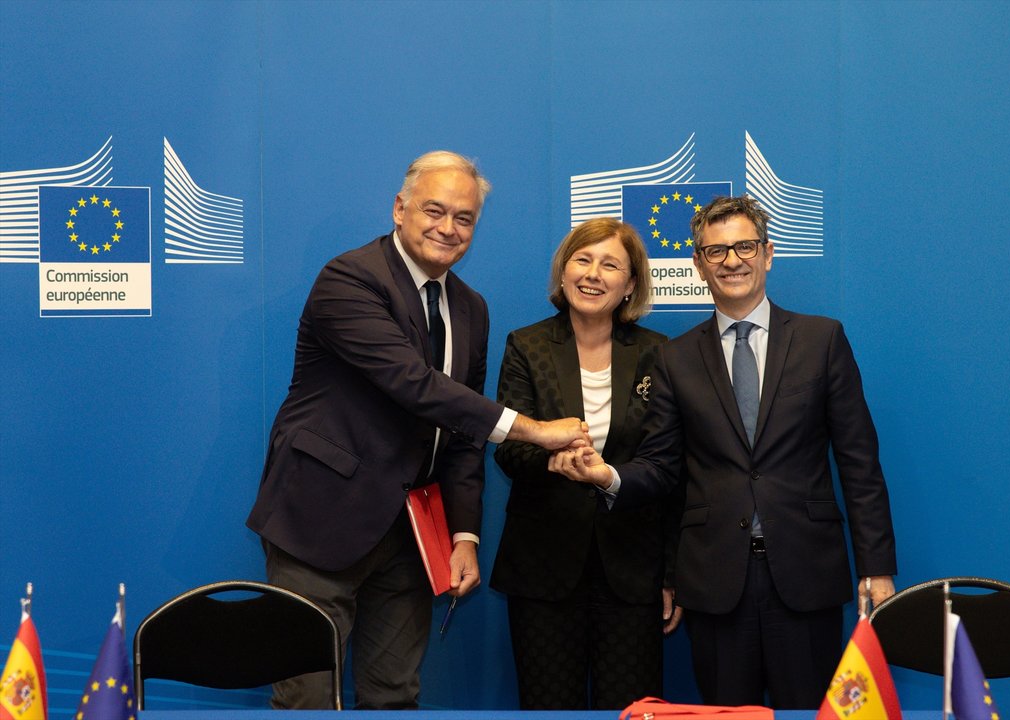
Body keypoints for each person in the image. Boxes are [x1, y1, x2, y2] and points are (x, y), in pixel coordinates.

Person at [246, 151, 588, 710]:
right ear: (399, 209)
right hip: (319, 520)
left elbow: (462, 434)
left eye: (465, 218)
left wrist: (464, 536)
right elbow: (412, 383)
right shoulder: (349, 278)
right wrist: (532, 430)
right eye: (435, 210)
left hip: (411, 538)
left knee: (395, 698)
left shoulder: (471, 309)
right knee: (307, 699)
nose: (448, 228)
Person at [550, 195, 897, 709]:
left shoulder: (822, 340)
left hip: (806, 575)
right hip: (715, 582)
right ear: (697, 264)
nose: (731, 261)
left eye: (744, 247)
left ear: (768, 253)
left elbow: (859, 462)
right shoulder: (673, 358)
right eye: (716, 252)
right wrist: (607, 476)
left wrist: (877, 567)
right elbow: (662, 468)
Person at [490, 218, 683, 710]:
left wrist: (670, 575)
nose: (593, 274)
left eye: (610, 264)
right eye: (583, 259)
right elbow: (509, 446)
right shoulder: (526, 345)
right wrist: (551, 461)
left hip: (632, 570)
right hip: (543, 568)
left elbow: (669, 469)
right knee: (548, 705)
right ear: (564, 270)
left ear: (630, 284)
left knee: (632, 709)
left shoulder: (658, 353)